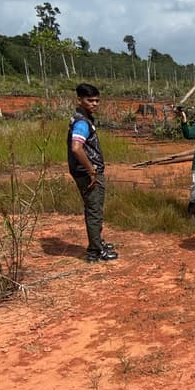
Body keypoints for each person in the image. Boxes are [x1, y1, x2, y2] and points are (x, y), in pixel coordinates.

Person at [67, 82, 118, 263]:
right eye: (90, 100)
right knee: (94, 210)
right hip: (87, 174)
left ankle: (97, 242)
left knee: (94, 208)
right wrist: (92, 171)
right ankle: (95, 251)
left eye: (97, 101)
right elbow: (76, 148)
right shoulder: (82, 122)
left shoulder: (82, 118)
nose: (95, 104)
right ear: (79, 100)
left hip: (84, 171)